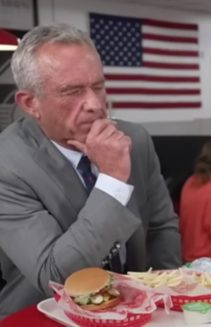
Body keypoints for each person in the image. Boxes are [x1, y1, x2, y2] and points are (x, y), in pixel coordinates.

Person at [0, 24, 181, 318]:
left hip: (138, 315)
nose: (95, 105)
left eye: (98, 86)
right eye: (72, 91)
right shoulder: (7, 163)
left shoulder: (135, 139)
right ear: (30, 103)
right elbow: (55, 276)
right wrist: (112, 181)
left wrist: (165, 303)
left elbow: (162, 228)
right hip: (41, 317)